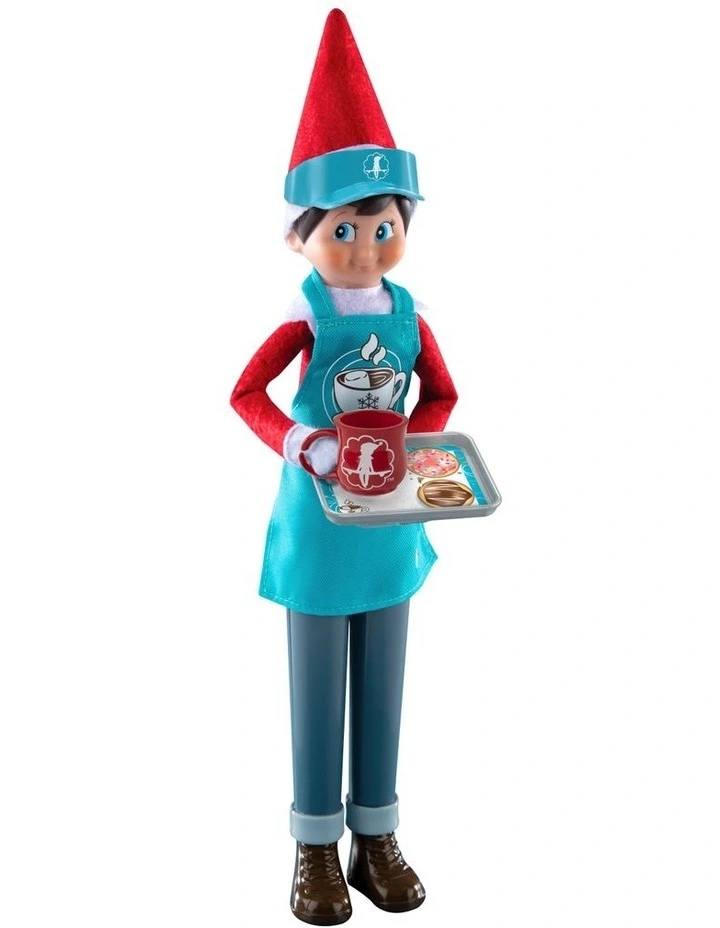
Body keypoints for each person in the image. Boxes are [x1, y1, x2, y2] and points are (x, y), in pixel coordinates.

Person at [230, 11, 457, 924]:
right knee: (318, 686)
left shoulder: (408, 312)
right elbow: (247, 394)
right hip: (319, 525)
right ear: (303, 236)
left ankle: (378, 834)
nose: (366, 248)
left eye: (383, 227)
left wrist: (421, 448)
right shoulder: (305, 316)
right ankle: (315, 845)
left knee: (386, 682)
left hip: (392, 521)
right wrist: (307, 444)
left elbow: (440, 394)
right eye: (345, 230)